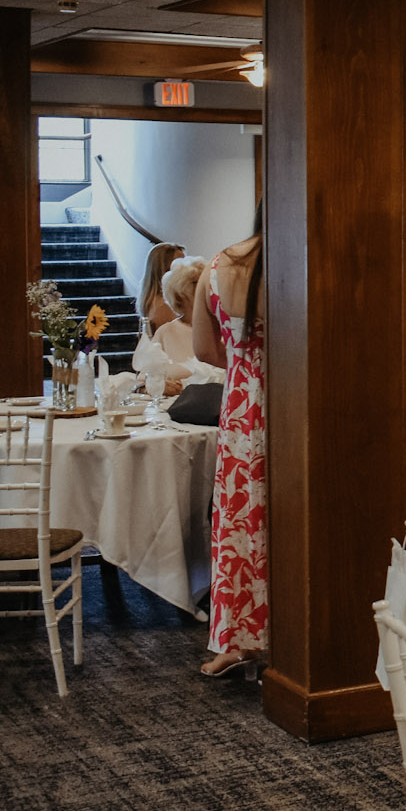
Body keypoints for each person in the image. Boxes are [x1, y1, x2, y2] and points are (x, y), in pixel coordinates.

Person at [192, 216, 263, 678]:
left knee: (240, 517)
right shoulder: (295, 263)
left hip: (240, 406)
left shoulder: (216, 266)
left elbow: (204, 349)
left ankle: (237, 641)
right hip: (293, 397)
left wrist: (243, 359)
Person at [149, 256, 208, 393]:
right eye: (198, 283)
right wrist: (160, 386)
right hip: (173, 403)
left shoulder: (225, 329)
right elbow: (143, 380)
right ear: (180, 294)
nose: (208, 289)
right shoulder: (165, 332)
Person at [138, 242, 185, 333]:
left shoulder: (153, 301)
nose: (186, 268)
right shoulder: (164, 305)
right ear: (164, 269)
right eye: (179, 264)